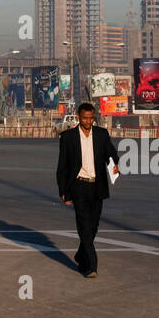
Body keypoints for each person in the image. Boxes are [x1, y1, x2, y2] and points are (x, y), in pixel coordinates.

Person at [55, 102, 119, 278]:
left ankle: (80, 255)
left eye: (91, 118)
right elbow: (62, 167)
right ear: (78, 117)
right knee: (84, 224)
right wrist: (63, 190)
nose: (88, 121)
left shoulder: (101, 134)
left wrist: (114, 164)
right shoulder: (68, 137)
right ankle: (92, 265)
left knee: (94, 226)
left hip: (97, 185)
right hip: (78, 186)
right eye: (84, 118)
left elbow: (111, 153)